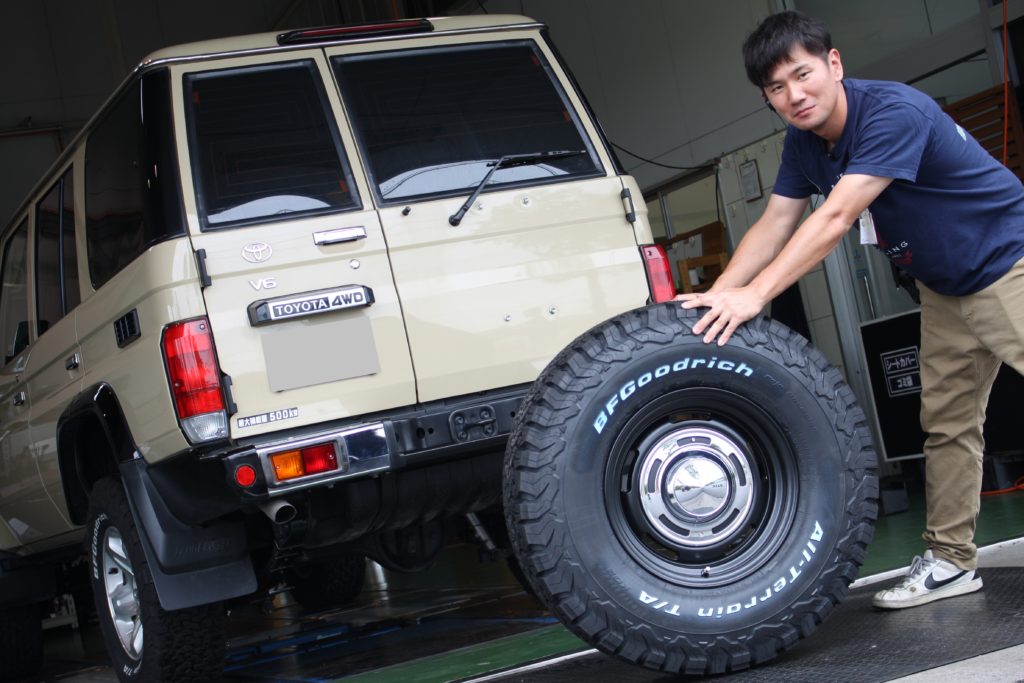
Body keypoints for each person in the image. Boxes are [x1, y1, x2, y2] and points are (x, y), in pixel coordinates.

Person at [677, 10, 1024, 610]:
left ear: (833, 64)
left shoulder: (893, 112)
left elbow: (835, 218)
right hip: (943, 287)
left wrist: (756, 295)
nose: (794, 95)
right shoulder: (803, 143)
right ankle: (951, 561)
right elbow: (776, 221)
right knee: (947, 424)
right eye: (777, 88)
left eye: (803, 74)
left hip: (1008, 264)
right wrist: (720, 292)